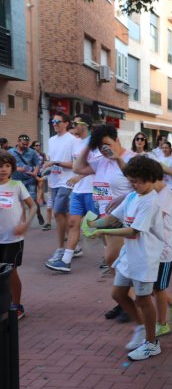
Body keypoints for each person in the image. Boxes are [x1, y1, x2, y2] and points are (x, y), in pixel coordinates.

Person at [87, 155, 165, 361]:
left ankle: (151, 343)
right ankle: (141, 327)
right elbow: (114, 217)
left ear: (150, 178)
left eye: (136, 181)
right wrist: (93, 225)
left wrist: (102, 233)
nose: (133, 185)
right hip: (129, 257)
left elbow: (133, 232)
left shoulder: (151, 202)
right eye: (131, 181)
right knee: (118, 295)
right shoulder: (133, 196)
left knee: (143, 299)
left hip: (145, 259)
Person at [74, 124, 136, 321]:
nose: (104, 150)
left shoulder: (132, 158)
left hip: (123, 218)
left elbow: (139, 184)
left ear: (117, 140)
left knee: (113, 259)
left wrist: (123, 198)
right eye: (100, 147)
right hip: (104, 218)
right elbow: (77, 167)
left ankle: (131, 303)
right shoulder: (100, 162)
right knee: (114, 262)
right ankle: (124, 301)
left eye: (107, 144)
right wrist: (90, 144)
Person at [46, 114, 99, 272]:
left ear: (85, 125)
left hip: (92, 190)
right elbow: (76, 165)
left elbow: (98, 166)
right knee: (73, 223)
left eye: (76, 123)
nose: (73, 126)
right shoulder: (77, 144)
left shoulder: (94, 143)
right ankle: (66, 260)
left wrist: (79, 176)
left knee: (98, 226)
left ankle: (111, 255)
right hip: (77, 190)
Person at [0, 150, 38, 320]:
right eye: (0, 166)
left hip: (13, 238)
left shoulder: (17, 185)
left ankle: (16, 304)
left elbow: (33, 206)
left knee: (11, 271)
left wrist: (25, 223)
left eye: (7, 166)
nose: (3, 169)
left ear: (12, 168)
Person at [152, 165, 172, 336]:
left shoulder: (167, 194)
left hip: (163, 251)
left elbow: (155, 220)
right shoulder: (148, 193)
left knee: (158, 288)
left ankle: (162, 323)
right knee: (151, 287)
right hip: (149, 249)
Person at [42, 112, 78, 266]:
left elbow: (75, 165)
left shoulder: (73, 141)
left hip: (67, 181)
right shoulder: (51, 140)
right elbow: (50, 160)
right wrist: (47, 167)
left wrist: (55, 162)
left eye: (58, 121)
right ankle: (74, 245)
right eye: (52, 121)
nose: (54, 123)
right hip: (54, 181)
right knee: (62, 215)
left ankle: (61, 248)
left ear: (66, 123)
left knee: (57, 212)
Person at [8, 134, 44, 226]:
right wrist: (16, 168)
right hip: (16, 181)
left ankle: (39, 214)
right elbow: (6, 164)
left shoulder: (32, 152)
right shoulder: (10, 152)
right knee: (19, 202)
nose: (25, 146)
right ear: (18, 141)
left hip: (29, 180)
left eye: (27, 144)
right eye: (23, 144)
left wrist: (35, 172)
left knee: (32, 200)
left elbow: (37, 164)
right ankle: (23, 222)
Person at [31, 140, 52, 230]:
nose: (38, 146)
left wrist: (44, 167)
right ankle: (37, 202)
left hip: (41, 173)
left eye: (39, 145)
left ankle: (39, 200)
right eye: (36, 145)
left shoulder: (43, 154)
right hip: (32, 173)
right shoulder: (31, 153)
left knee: (40, 187)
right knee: (34, 192)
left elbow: (46, 161)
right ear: (33, 146)